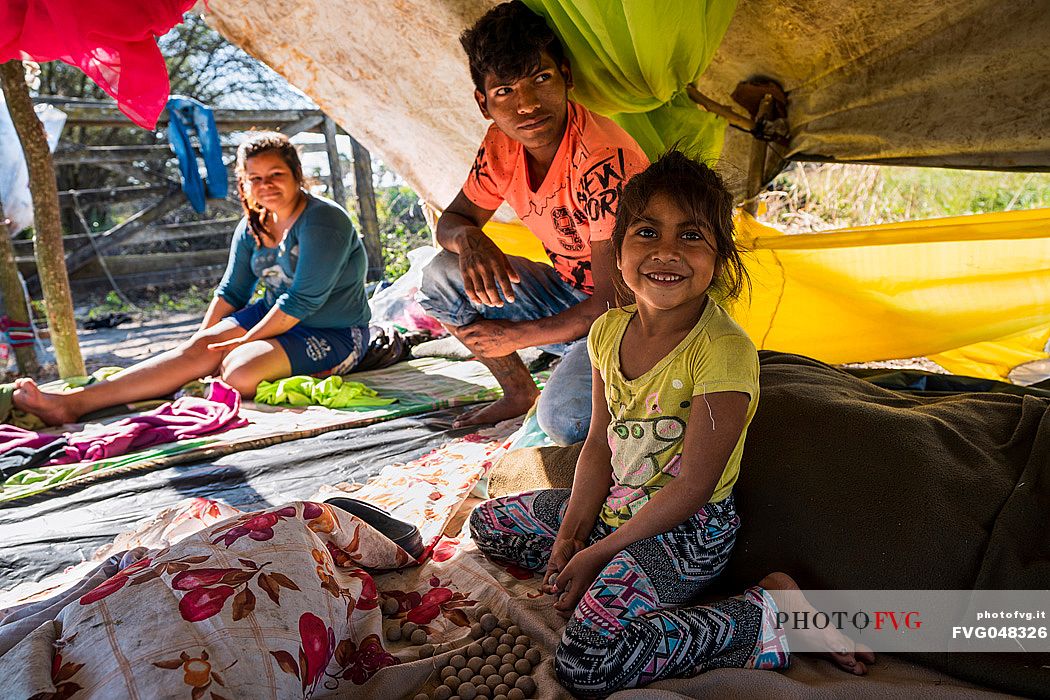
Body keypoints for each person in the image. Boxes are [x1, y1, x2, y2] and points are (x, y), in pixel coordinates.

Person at [469, 151, 874, 697]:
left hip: (689, 530)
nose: (666, 252)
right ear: (618, 248)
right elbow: (597, 446)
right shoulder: (607, 332)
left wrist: (600, 554)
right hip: (618, 511)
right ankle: (616, 578)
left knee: (588, 662)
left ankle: (766, 613)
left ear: (721, 256)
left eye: (691, 236)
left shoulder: (722, 349)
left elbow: (694, 486)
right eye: (646, 232)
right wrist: (571, 538)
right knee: (489, 524)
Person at [13, 131, 371, 426]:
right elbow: (233, 291)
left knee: (238, 373)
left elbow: (301, 302)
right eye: (255, 178)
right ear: (243, 183)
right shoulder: (252, 226)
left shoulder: (324, 222)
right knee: (198, 351)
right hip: (272, 316)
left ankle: (232, 359)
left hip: (332, 331)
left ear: (296, 174)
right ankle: (73, 403)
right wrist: (199, 345)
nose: (266, 185)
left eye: (276, 174)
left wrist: (238, 343)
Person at [417, 0, 649, 445]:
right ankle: (519, 390)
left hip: (631, 321)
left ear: (566, 76)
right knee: (440, 276)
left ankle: (589, 379)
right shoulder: (502, 144)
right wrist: (468, 238)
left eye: (540, 79)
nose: (526, 106)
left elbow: (613, 302)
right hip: (567, 300)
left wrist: (517, 335)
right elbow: (453, 220)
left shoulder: (603, 159)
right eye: (505, 91)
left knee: (566, 422)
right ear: (483, 103)